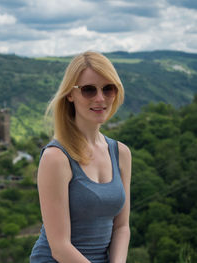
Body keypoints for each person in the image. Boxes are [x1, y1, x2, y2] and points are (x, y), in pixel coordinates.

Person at [30, 51, 131, 263]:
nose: (100, 98)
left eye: (108, 88)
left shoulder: (121, 153)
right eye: (88, 90)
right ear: (70, 94)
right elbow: (60, 247)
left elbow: (121, 227)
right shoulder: (56, 158)